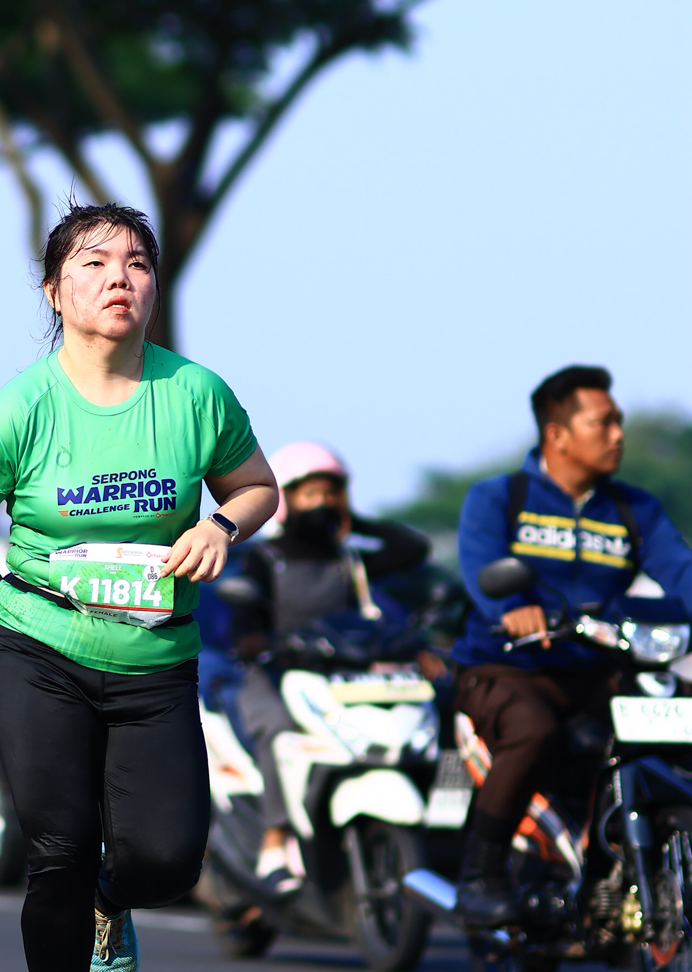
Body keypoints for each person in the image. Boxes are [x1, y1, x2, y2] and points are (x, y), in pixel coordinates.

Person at [0, 202, 276, 972]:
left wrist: (221, 525)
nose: (119, 278)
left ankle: (116, 900)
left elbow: (258, 487)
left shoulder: (195, 394)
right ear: (54, 291)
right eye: (95, 263)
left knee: (169, 860)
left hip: (155, 662)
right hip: (43, 658)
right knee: (56, 851)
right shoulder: (24, 408)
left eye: (138, 263)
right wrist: (8, 604)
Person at [453, 364, 692, 925]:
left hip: (601, 669)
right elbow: (482, 565)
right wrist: (513, 610)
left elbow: (680, 571)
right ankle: (481, 875)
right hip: (509, 668)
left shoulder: (635, 508)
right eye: (603, 423)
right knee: (532, 731)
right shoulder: (499, 497)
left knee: (677, 726)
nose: (618, 434)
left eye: (619, 421)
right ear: (557, 434)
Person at [229, 442, 430, 895]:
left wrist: (353, 519)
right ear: (286, 497)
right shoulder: (266, 557)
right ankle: (275, 838)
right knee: (280, 732)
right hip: (277, 677)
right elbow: (245, 622)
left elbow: (412, 548)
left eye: (329, 494)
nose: (320, 503)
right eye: (309, 494)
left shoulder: (348, 557)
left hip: (339, 677)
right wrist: (258, 644)